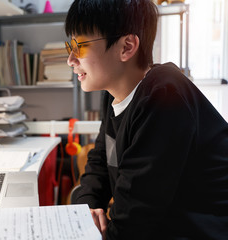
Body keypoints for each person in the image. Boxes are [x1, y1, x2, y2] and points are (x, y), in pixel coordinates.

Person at [65, 0, 228, 239]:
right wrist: (86, 208)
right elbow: (100, 161)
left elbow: (132, 223)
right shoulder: (115, 94)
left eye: (80, 47)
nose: (70, 59)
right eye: (70, 45)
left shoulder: (163, 96)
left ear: (126, 47)